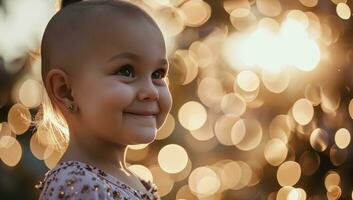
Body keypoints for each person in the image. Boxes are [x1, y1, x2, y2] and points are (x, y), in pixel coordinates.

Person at [34, 0, 172, 199]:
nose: (152, 91)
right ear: (66, 91)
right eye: (127, 71)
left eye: (158, 74)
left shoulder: (133, 180)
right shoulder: (77, 185)